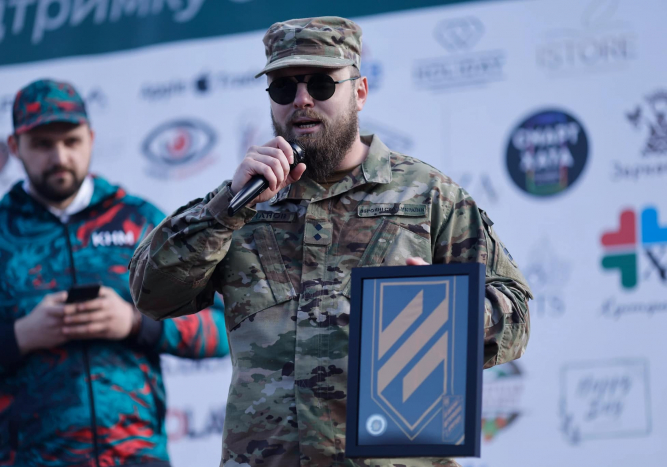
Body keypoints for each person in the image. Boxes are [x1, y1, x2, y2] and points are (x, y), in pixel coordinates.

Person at [129, 16, 533, 467]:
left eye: (321, 84)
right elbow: (151, 294)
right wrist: (224, 207)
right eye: (284, 88)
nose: (302, 100)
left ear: (359, 92)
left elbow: (516, 314)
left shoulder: (428, 195)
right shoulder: (241, 203)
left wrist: (448, 310)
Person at [0, 79, 229, 467]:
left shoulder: (141, 223)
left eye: (71, 141)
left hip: (138, 457)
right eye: (42, 144)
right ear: (14, 146)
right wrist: (20, 337)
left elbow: (224, 329)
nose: (59, 156)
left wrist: (134, 323)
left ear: (90, 138)